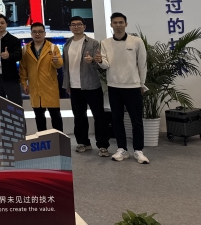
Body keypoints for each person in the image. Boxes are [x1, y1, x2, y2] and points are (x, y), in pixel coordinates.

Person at [95, 12, 149, 164]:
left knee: (136, 120)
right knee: (117, 119)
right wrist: (99, 61)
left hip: (133, 86)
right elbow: (105, 65)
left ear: (126, 24)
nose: (118, 25)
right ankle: (122, 149)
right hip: (114, 86)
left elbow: (142, 64)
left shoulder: (136, 41)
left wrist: (141, 84)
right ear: (111, 25)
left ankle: (138, 150)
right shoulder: (105, 43)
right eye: (115, 23)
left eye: (121, 22)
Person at [62, 16, 111, 157]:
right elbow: (66, 67)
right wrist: (67, 84)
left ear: (84, 26)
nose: (76, 27)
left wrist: (92, 61)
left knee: (99, 116)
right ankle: (83, 142)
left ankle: (103, 145)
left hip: (92, 85)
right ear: (70, 27)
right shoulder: (67, 44)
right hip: (74, 86)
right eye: (73, 24)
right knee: (79, 116)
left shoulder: (93, 43)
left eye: (79, 24)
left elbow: (99, 64)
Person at [19, 22, 64, 132]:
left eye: (40, 32)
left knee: (56, 116)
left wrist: (56, 61)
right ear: (31, 34)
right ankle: (43, 139)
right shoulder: (25, 49)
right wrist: (24, 83)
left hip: (50, 87)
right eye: (34, 32)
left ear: (44, 33)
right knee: (39, 117)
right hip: (35, 87)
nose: (37, 34)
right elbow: (23, 68)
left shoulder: (52, 47)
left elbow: (59, 65)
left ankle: (59, 138)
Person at [0, 13, 23, 106]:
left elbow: (19, 56)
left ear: (6, 24)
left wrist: (9, 56)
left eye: (2, 23)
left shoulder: (14, 40)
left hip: (10, 79)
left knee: (16, 106)